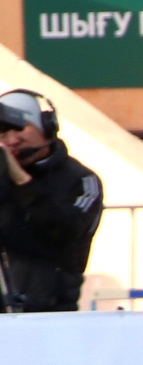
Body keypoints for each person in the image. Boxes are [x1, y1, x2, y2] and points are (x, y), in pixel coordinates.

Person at [0, 89, 103, 314]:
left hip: (52, 316)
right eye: (2, 132)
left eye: (19, 128)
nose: (11, 140)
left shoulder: (82, 180)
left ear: (47, 127)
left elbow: (66, 231)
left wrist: (22, 181)